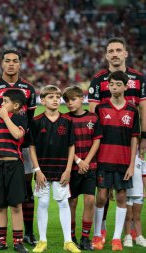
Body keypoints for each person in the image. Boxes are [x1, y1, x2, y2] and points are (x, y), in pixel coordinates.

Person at [88, 37, 146, 243]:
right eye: (110, 50)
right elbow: (93, 112)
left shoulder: (139, 78)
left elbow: (143, 108)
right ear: (106, 55)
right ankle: (101, 231)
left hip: (129, 143)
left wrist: (144, 137)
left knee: (128, 191)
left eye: (118, 50)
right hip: (105, 145)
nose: (114, 53)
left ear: (125, 53)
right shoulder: (98, 79)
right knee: (103, 194)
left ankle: (131, 233)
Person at [0, 49, 37, 247]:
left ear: (20, 64)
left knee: (22, 193)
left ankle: (26, 234)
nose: (11, 64)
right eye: (7, 61)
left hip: (21, 147)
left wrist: (19, 137)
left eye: (15, 61)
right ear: (2, 63)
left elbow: (29, 119)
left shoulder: (29, 88)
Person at [29, 85, 80, 253]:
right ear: (42, 100)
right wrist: (37, 170)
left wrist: (68, 170)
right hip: (42, 171)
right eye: (51, 97)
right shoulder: (36, 121)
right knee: (42, 203)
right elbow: (32, 147)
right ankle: (42, 241)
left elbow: (71, 146)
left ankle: (68, 242)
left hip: (61, 170)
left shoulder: (67, 121)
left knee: (63, 203)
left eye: (58, 97)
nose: (56, 99)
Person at [92, 71, 139, 251]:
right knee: (101, 197)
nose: (115, 87)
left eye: (119, 84)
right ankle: (97, 235)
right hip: (103, 160)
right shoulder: (100, 108)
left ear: (126, 87)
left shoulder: (132, 110)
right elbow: (96, 137)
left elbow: (134, 138)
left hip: (123, 161)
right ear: (108, 86)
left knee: (121, 197)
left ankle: (116, 239)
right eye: (112, 84)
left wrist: (131, 165)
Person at [0, 89, 28, 253]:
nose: (1, 104)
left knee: (16, 205)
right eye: (1, 101)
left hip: (14, 165)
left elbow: (17, 135)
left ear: (15, 105)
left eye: (5, 101)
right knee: (0, 204)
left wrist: (5, 117)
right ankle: (1, 241)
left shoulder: (20, 118)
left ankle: (18, 242)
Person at [62, 86, 102, 250]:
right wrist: (79, 161)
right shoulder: (64, 119)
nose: (69, 103)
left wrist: (87, 161)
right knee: (72, 202)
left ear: (81, 98)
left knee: (90, 200)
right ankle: (71, 236)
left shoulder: (93, 117)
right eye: (67, 101)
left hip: (90, 166)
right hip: (71, 168)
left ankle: (85, 238)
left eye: (73, 99)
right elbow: (63, 144)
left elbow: (97, 140)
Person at [123, 151, 146, 248]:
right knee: (128, 217)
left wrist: (145, 190)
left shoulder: (142, 160)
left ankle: (139, 237)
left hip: (139, 193)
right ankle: (127, 237)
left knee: (137, 217)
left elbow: (144, 177)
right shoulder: (125, 158)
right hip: (128, 193)